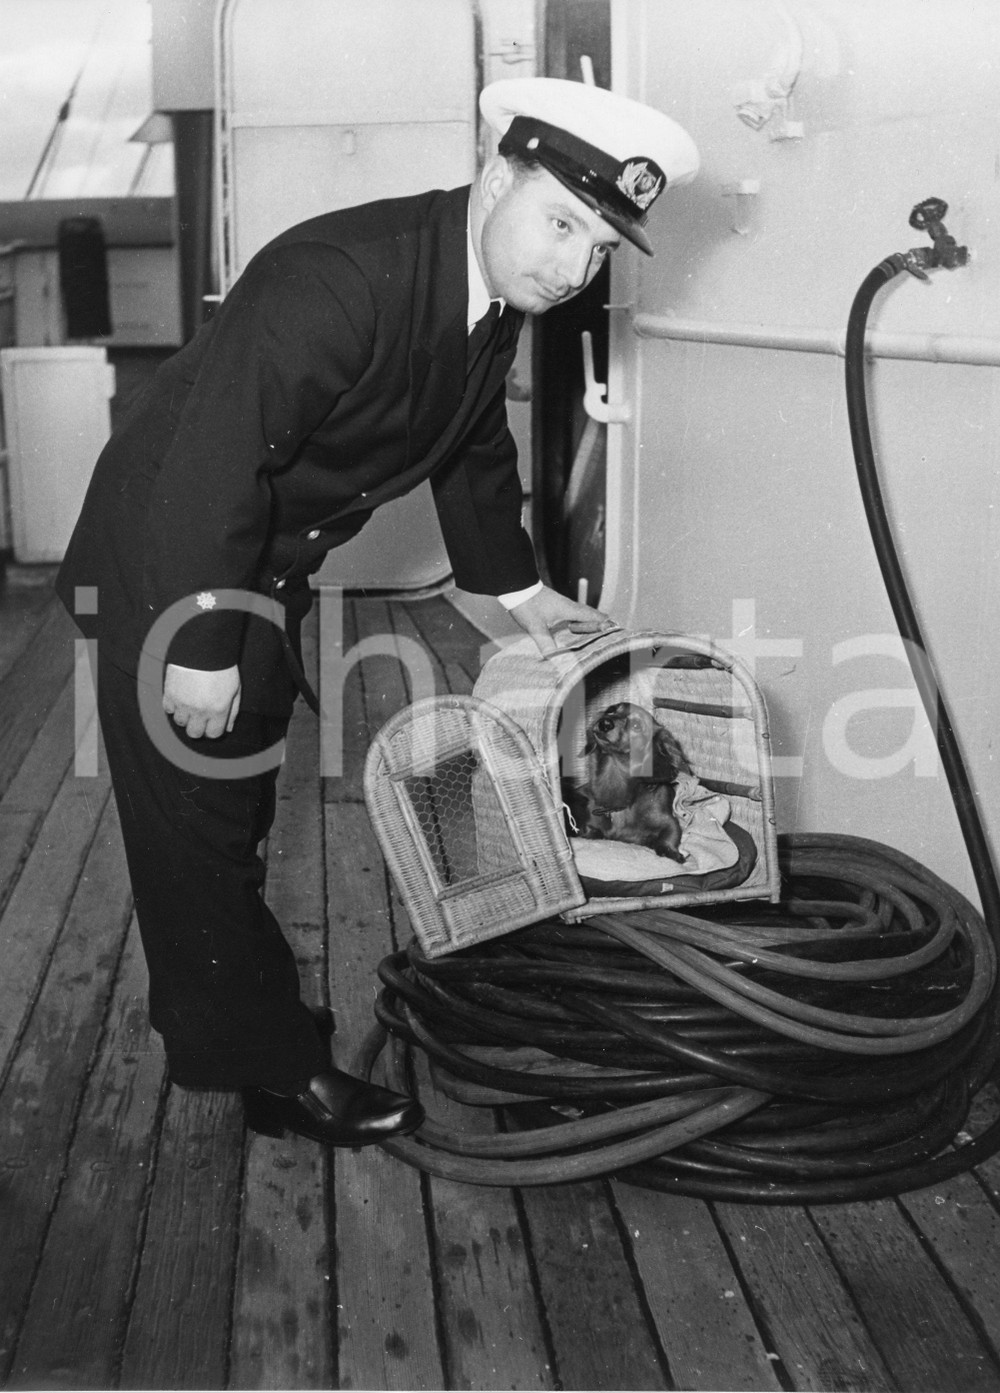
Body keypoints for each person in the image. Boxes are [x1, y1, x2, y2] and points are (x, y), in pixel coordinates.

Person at [57, 78, 699, 1147]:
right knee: (193, 817)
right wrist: (200, 646)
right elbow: (210, 468)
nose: (570, 265)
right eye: (559, 222)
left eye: (595, 248)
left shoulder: (485, 289)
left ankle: (243, 1011)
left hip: (258, 559)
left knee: (236, 782)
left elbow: (470, 442)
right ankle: (266, 1070)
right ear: (498, 174)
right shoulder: (337, 278)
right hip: (167, 559)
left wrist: (518, 590)